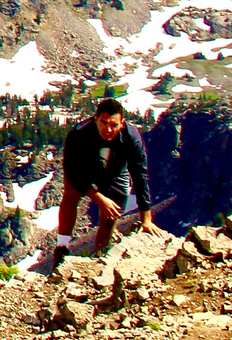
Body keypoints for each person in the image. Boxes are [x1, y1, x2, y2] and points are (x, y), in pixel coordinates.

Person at [52, 96, 155, 265]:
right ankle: (62, 248)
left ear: (122, 124)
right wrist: (98, 197)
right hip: (85, 169)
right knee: (71, 193)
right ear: (95, 119)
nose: (108, 129)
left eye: (114, 125)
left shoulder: (132, 137)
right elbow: (72, 171)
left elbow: (139, 173)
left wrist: (146, 217)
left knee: (113, 210)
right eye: (103, 123)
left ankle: (101, 254)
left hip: (115, 172)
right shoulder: (78, 134)